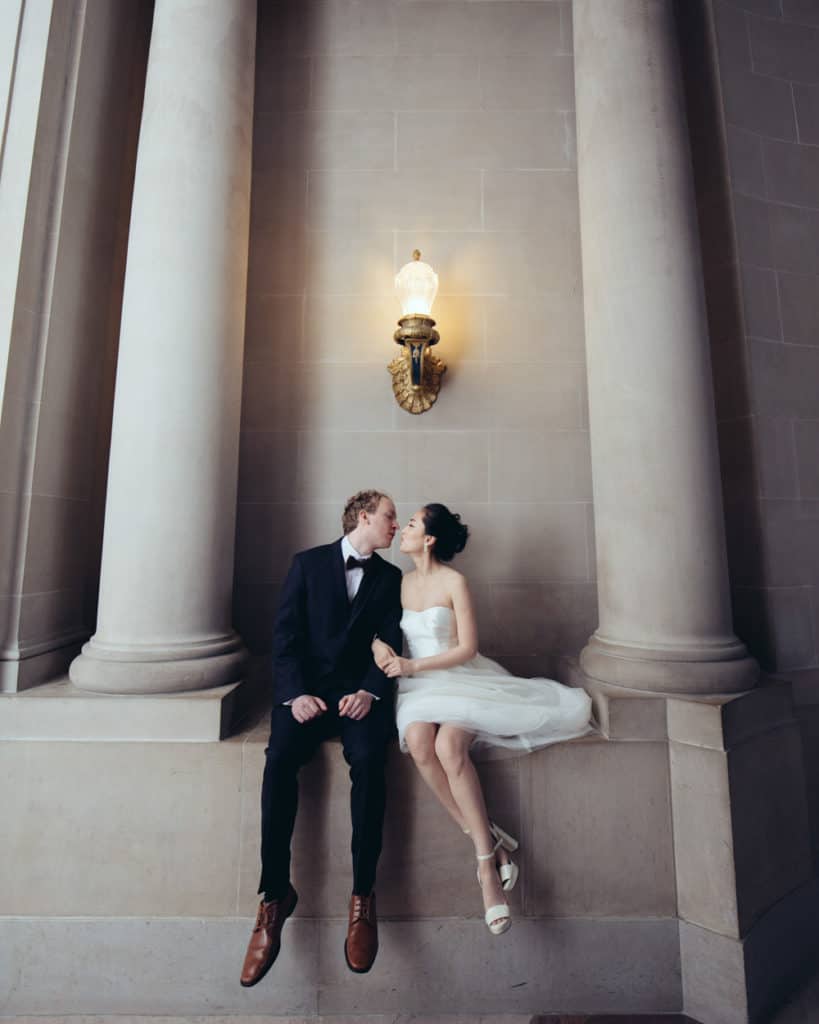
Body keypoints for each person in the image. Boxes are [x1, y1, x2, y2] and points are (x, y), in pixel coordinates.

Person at [373, 503, 592, 936]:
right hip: (417, 689)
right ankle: (491, 842)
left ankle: (487, 872)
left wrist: (413, 667)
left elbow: (468, 648)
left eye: (412, 524)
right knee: (419, 742)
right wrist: (380, 649)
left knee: (448, 746)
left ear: (430, 538)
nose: (404, 530)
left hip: (459, 679)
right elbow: (378, 631)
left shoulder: (456, 582)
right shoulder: (398, 583)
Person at [240, 490, 402, 987]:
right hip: (306, 696)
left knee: (373, 760)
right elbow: (284, 637)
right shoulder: (307, 564)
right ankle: (273, 898)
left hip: (358, 698)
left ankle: (363, 899)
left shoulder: (391, 577)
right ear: (364, 517)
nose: (395, 524)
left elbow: (394, 639)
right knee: (279, 759)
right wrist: (294, 695)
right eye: (390, 516)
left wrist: (371, 692)